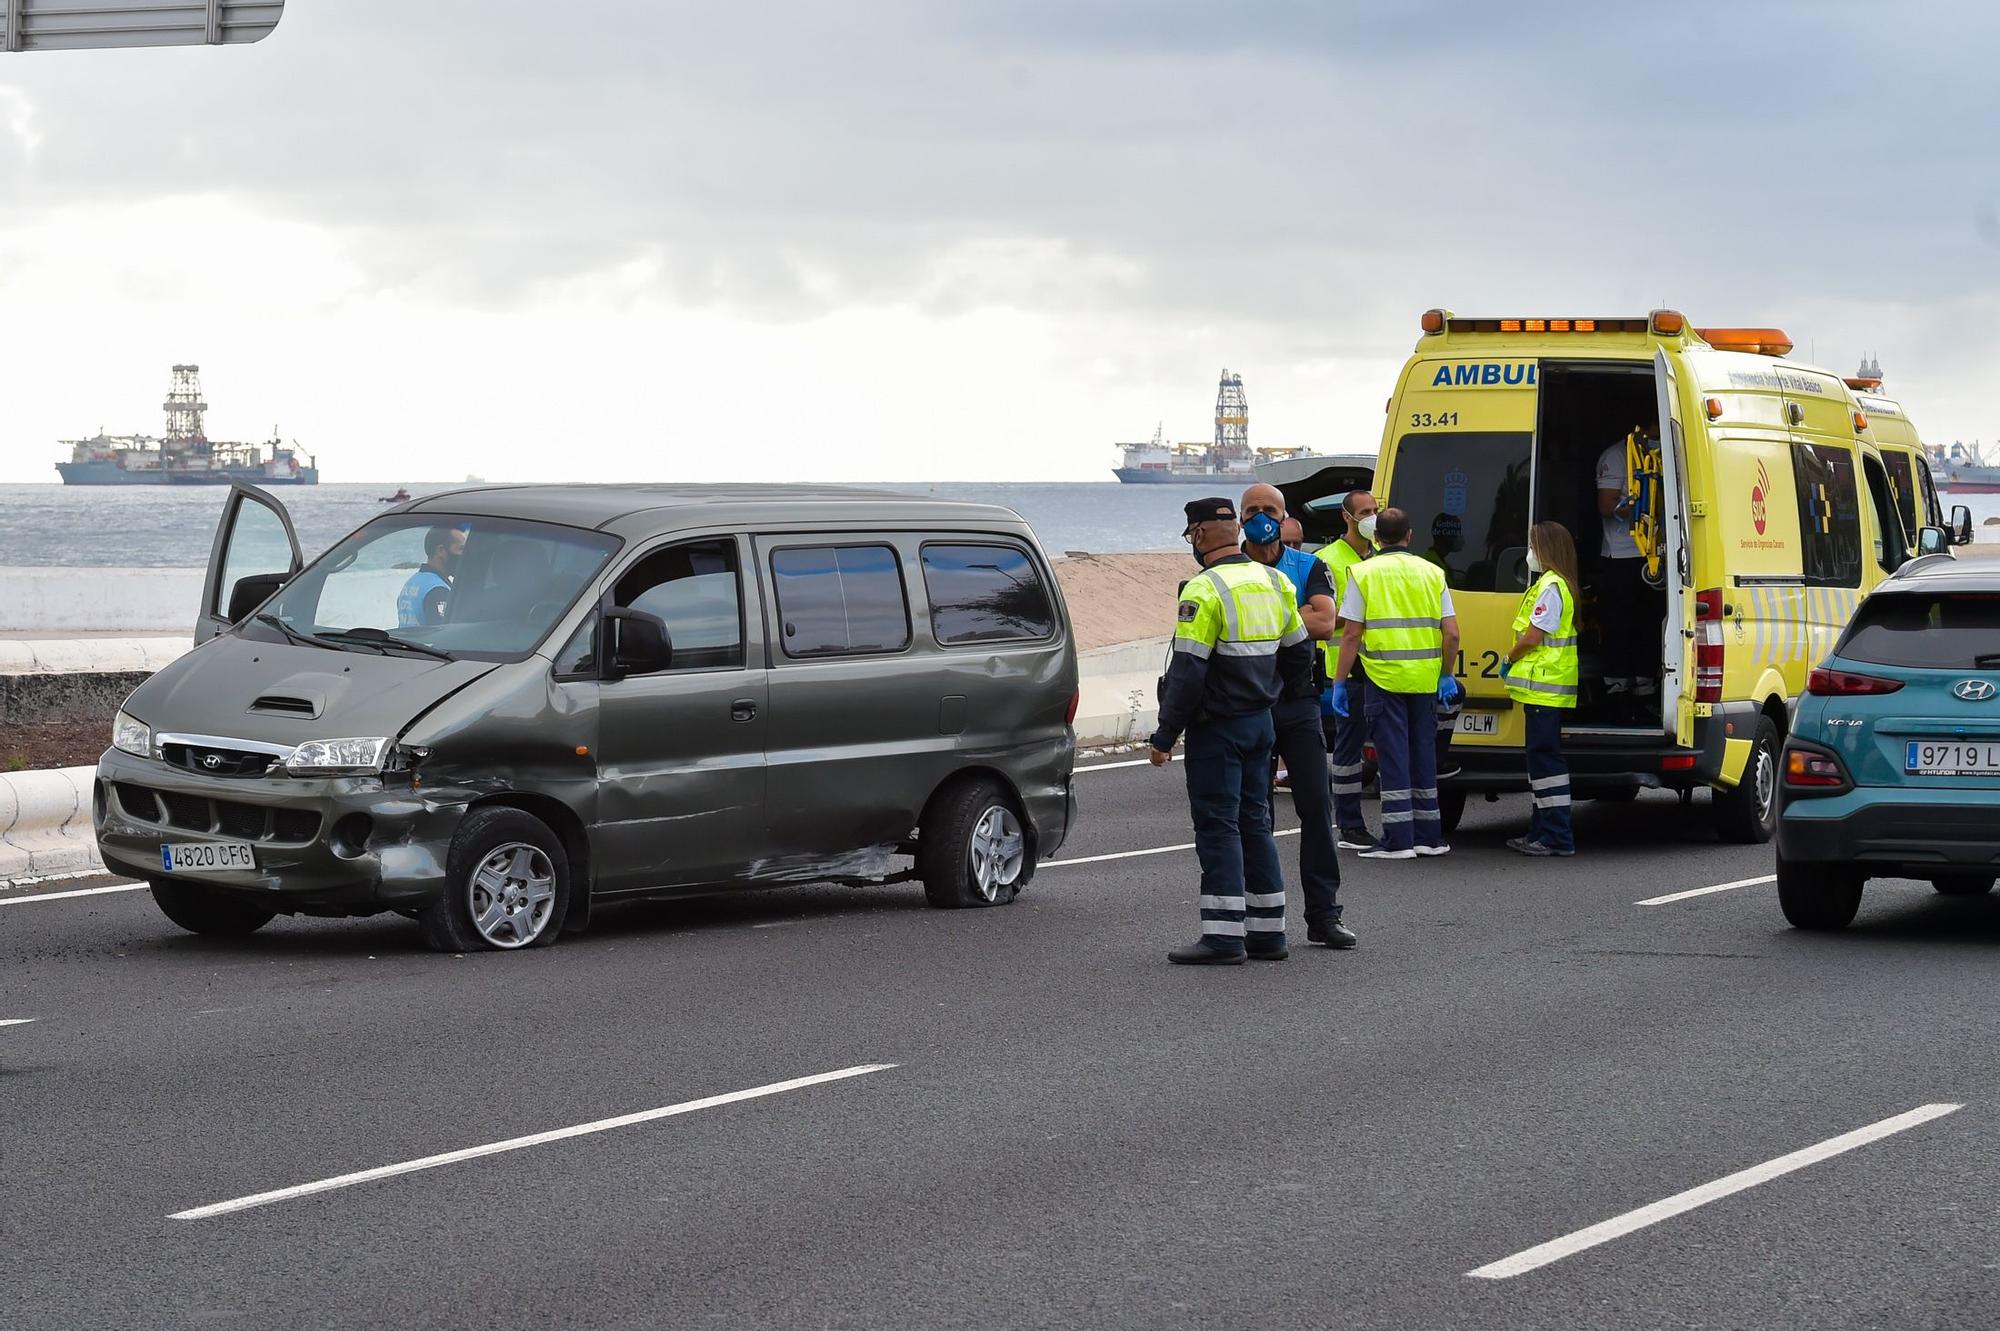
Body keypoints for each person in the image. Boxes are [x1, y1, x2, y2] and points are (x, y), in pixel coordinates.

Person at [1149, 497, 1316, 965]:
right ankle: (1268, 933)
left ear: (1199, 535)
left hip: (1218, 729)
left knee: (1218, 825)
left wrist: (1164, 737)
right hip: (1261, 723)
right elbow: (1300, 654)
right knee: (1255, 822)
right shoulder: (1276, 580)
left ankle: (1223, 937)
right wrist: (1269, 692)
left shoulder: (1202, 592)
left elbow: (1187, 673)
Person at [1240, 483, 1355, 949]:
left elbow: (1325, 622)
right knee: (1253, 815)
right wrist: (1294, 614)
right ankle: (1261, 916)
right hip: (1247, 703)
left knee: (1314, 805)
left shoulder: (1309, 565)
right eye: (1253, 510)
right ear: (1240, 517)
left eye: (1271, 510)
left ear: (1285, 518)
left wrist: (1260, 615)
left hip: (1299, 701)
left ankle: (1324, 916)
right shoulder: (1229, 570)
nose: (1262, 517)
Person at [1331, 507, 1461, 860]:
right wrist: (1446, 674)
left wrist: (1340, 682)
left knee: (1392, 757)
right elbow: (1451, 634)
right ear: (1410, 536)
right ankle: (1429, 837)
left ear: (1376, 538)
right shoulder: (1433, 572)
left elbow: (1352, 633)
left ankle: (1399, 840)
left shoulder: (1363, 573)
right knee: (1423, 755)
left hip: (1383, 678)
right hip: (1424, 679)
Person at [1502, 521, 1581, 856]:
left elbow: (1534, 636)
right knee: (1540, 764)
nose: (1529, 553)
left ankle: (1556, 836)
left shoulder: (1551, 586)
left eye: (1533, 546)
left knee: (1545, 763)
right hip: (1544, 689)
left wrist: (1508, 656)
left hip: (1544, 687)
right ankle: (1540, 832)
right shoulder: (1555, 584)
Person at [1314, 488, 1379, 850]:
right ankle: (1350, 824)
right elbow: (1324, 617)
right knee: (1348, 751)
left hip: (1384, 666)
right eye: (1364, 512)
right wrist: (1358, 615)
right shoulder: (1326, 560)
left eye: (1375, 510)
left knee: (1388, 748)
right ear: (1347, 517)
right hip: (1347, 668)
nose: (1371, 518)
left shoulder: (1383, 556)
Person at [1595, 435, 1657, 718]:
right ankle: (1616, 687)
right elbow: (1606, 507)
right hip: (1620, 556)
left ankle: (1645, 687)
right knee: (1619, 623)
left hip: (1653, 553)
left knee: (1648, 621)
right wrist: (1649, 502)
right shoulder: (1616, 456)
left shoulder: (1661, 449)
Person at [398, 525, 465, 628]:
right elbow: (443, 637)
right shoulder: (438, 590)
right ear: (441, 550)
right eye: (461, 549)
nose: (464, 555)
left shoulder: (411, 583)